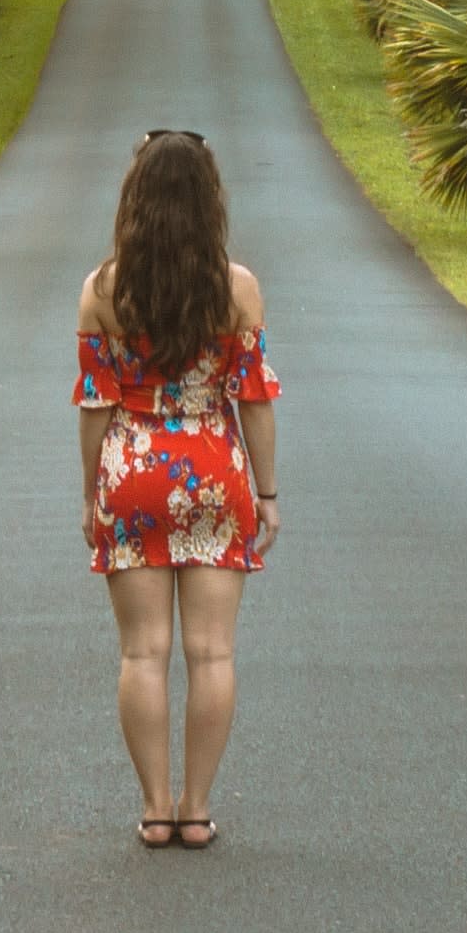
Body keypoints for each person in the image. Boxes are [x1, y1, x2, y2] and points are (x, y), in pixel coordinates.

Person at [76, 126, 278, 850]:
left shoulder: (102, 291)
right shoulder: (237, 288)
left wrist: (91, 495)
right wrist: (269, 492)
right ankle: (196, 808)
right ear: (208, 202)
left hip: (132, 469)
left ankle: (155, 807)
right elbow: (253, 398)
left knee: (142, 653)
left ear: (135, 200)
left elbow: (95, 405)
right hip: (213, 467)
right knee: (212, 652)